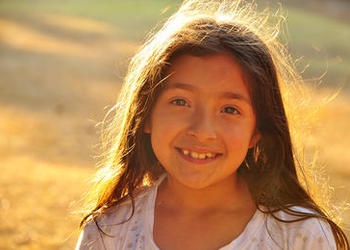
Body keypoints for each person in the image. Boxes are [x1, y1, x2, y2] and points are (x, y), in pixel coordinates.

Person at [76, 0, 349, 249]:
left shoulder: (300, 235)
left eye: (229, 109)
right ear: (146, 115)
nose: (202, 131)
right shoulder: (109, 230)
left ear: (257, 131)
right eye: (181, 102)